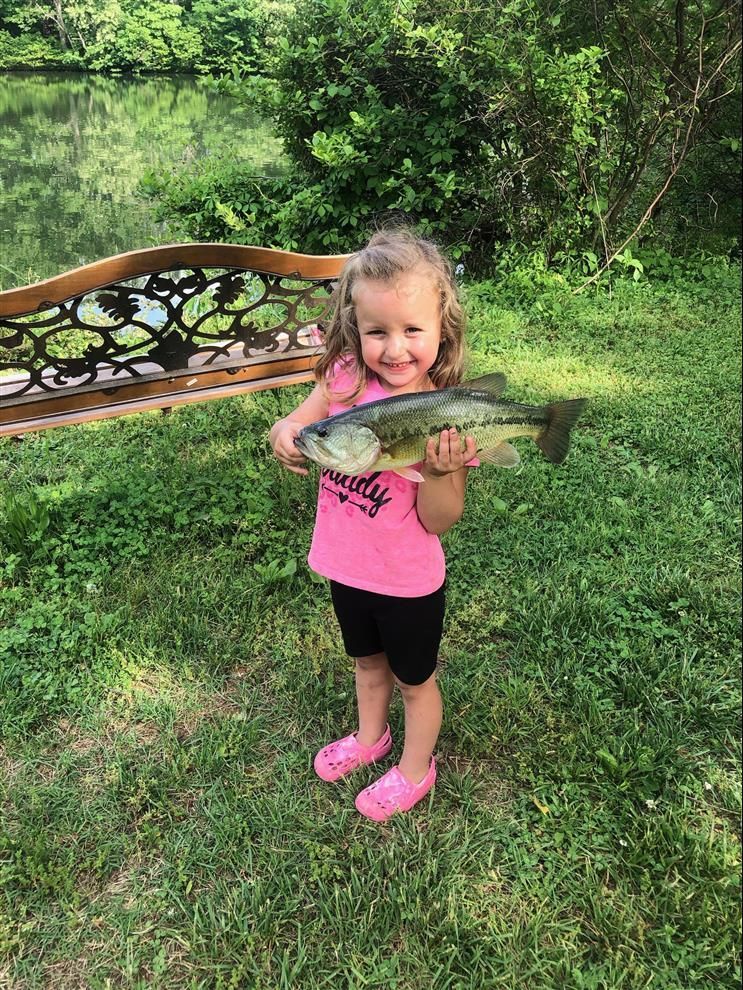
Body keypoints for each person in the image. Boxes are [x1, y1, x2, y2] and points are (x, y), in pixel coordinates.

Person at [268, 228, 478, 823]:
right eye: (377, 331)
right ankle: (370, 740)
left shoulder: (448, 414)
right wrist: (284, 435)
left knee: (415, 681)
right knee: (366, 664)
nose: (395, 349)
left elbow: (441, 521)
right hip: (346, 564)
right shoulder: (341, 379)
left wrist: (440, 473)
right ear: (353, 328)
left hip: (409, 581)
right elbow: (300, 423)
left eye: (413, 330)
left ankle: (416, 767)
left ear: (442, 329)